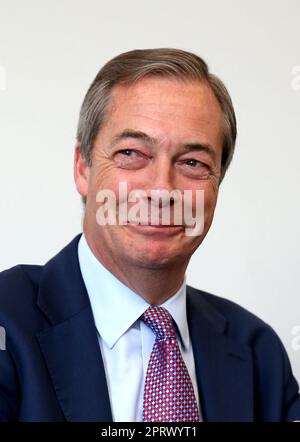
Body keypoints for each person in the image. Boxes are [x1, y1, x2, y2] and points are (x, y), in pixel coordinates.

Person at [0, 48, 299, 422]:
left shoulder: (258, 351)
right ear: (83, 168)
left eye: (193, 162)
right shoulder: (6, 323)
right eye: (132, 153)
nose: (161, 190)